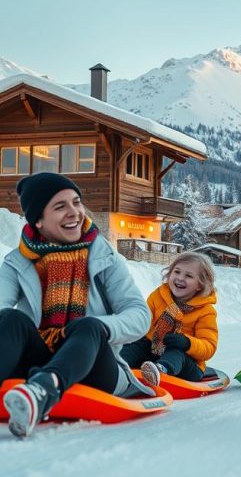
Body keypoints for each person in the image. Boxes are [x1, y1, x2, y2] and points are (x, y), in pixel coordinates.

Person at [0, 173, 151, 438]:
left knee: (87, 326)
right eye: (60, 206)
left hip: (95, 365)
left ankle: (44, 389)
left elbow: (139, 315)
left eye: (76, 202)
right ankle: (35, 389)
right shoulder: (17, 262)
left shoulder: (104, 257)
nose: (75, 213)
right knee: (11, 320)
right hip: (40, 357)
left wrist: (103, 328)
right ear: (38, 220)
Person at [121, 251, 218, 384]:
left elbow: (209, 347)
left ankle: (160, 371)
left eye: (189, 276)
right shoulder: (158, 296)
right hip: (153, 352)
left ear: (200, 285)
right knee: (136, 345)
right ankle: (117, 365)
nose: (180, 278)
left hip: (187, 364)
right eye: (177, 272)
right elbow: (143, 321)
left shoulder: (206, 311)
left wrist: (187, 343)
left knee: (176, 352)